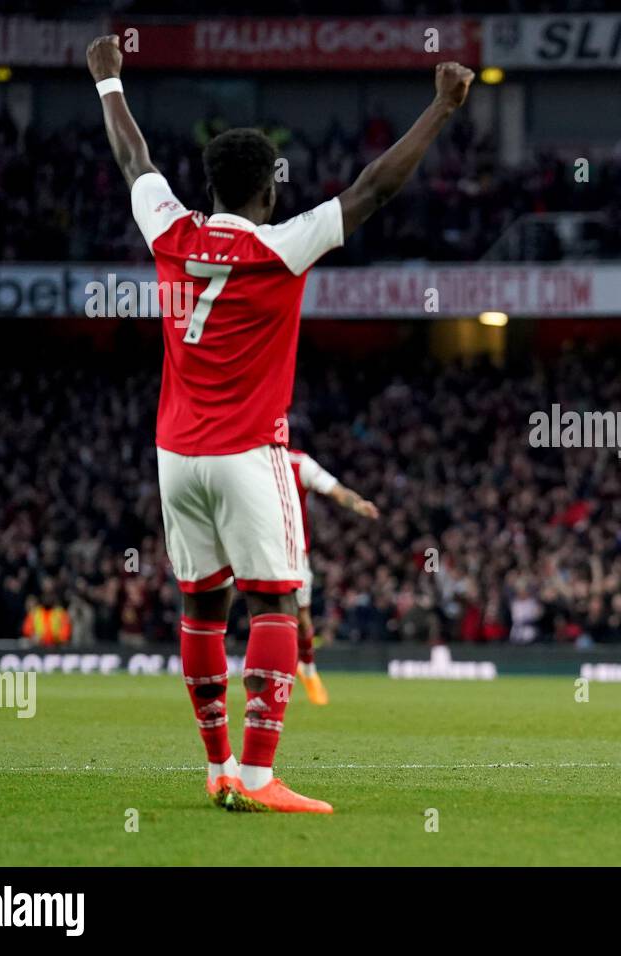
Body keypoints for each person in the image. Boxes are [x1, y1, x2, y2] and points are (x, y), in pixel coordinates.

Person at [87, 34, 473, 811]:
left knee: (201, 606)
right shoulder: (281, 247)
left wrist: (108, 83)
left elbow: (135, 161)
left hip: (173, 454)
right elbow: (373, 191)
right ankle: (260, 776)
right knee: (272, 601)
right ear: (269, 191)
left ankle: (217, 765)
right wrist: (440, 107)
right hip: (246, 450)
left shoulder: (170, 230)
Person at [288, 446, 379, 705]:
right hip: (256, 552)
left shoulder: (299, 463)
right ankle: (269, 677)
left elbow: (335, 489)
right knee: (263, 614)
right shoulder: (247, 462)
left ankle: (307, 669)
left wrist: (358, 504)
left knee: (302, 619)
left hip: (294, 555)